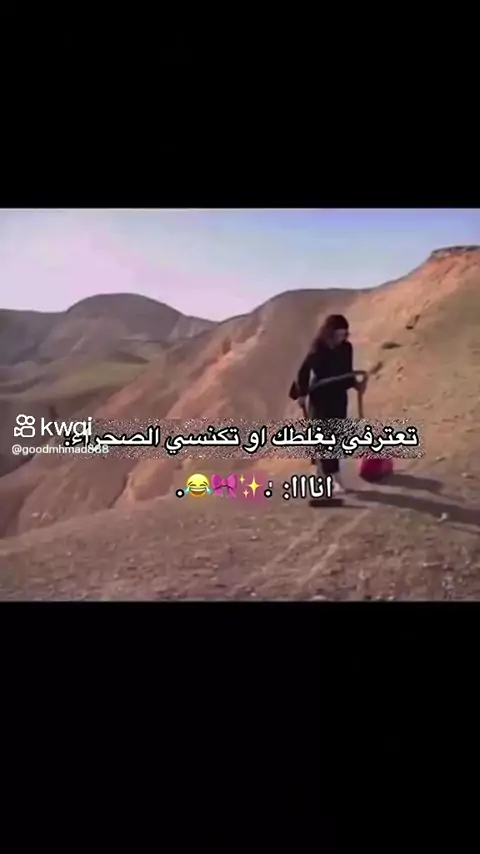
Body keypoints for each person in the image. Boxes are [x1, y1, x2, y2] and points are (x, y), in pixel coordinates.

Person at [290, 314, 367, 497]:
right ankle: (334, 479)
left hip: (338, 396)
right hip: (321, 398)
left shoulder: (346, 348)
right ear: (329, 333)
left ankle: (326, 472)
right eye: (338, 334)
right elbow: (304, 371)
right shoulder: (318, 348)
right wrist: (302, 394)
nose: (341, 338)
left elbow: (347, 371)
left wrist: (355, 384)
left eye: (344, 334)